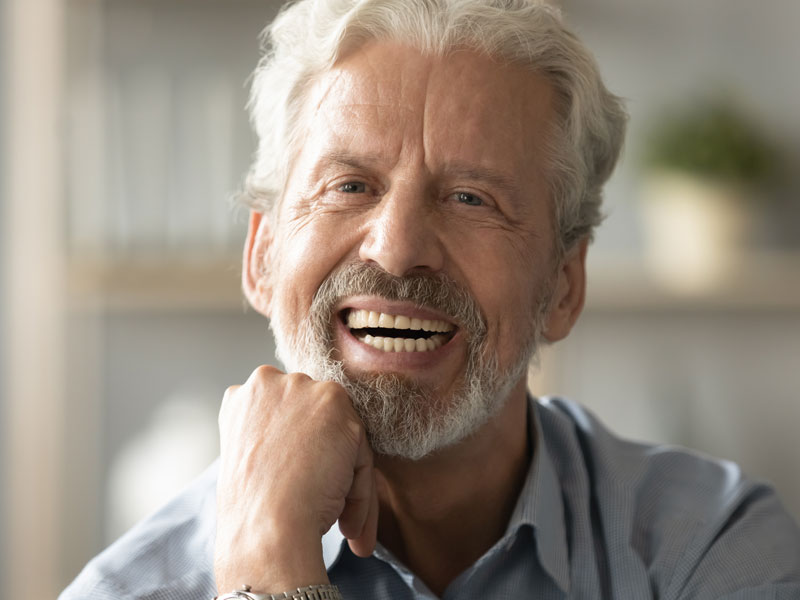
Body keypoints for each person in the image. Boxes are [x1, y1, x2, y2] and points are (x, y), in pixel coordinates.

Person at [60, 1, 800, 599]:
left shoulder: (714, 550)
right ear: (261, 255)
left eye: (471, 198)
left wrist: (276, 579)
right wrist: (265, 559)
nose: (396, 246)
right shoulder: (126, 592)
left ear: (564, 285)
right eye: (349, 185)